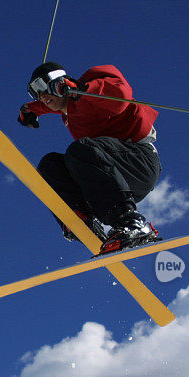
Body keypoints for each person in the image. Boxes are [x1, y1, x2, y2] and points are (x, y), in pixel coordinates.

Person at [18, 62, 161, 254]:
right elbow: (52, 104)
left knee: (80, 150)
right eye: (34, 92)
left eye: (43, 87)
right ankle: (81, 222)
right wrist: (31, 109)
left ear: (60, 82)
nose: (41, 95)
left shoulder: (89, 89)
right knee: (50, 164)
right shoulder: (69, 107)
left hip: (139, 162)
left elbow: (121, 97)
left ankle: (132, 223)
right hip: (112, 175)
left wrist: (82, 89)